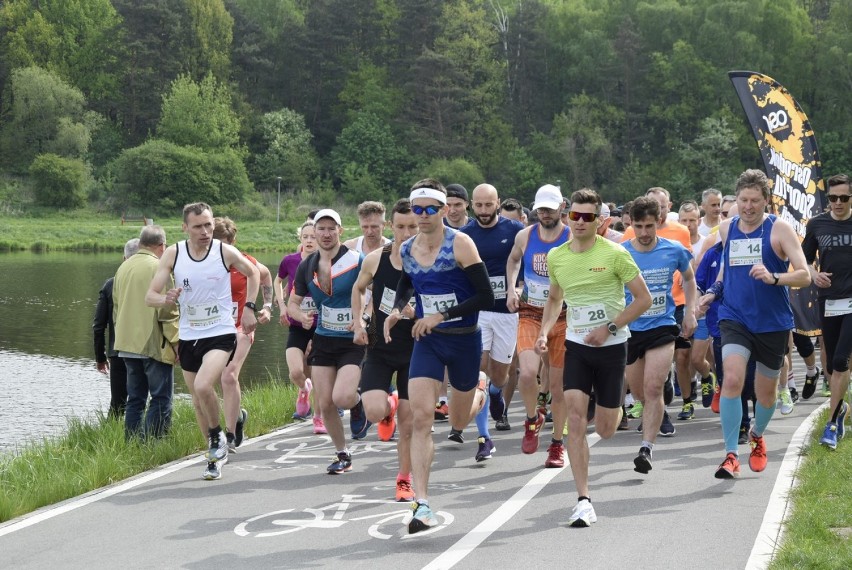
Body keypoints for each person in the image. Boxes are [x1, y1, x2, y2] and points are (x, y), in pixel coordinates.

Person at [384, 179, 495, 534]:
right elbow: (408, 283)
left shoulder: (460, 244)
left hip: (463, 339)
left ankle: (480, 390)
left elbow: (486, 296)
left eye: (432, 208)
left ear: (445, 210)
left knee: (459, 420)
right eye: (419, 209)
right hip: (429, 341)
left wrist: (440, 315)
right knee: (421, 418)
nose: (424, 215)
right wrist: (397, 309)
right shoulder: (406, 249)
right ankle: (423, 503)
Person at [537, 188, 651, 527]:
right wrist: (544, 331)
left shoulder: (616, 254)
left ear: (600, 221)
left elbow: (642, 299)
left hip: (613, 347)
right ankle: (583, 499)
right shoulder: (557, 257)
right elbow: (555, 298)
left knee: (606, 428)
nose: (581, 221)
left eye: (588, 217)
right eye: (575, 215)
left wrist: (609, 328)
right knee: (573, 414)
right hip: (577, 346)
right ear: (567, 216)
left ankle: (611, 408)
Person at [698, 169, 811, 479]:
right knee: (732, 379)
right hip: (734, 317)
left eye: (755, 201)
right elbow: (725, 271)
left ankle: (758, 435)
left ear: (766, 202)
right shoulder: (726, 229)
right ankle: (731, 454)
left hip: (772, 322)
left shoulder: (779, 230)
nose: (748, 207)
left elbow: (804, 274)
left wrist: (775, 277)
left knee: (766, 394)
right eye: (744, 200)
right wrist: (712, 293)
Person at [146, 202, 259, 481]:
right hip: (189, 334)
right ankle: (213, 453)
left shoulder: (224, 251)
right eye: (198, 226)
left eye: (208, 225)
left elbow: (254, 273)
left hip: (220, 332)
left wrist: (250, 308)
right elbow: (150, 296)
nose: (205, 231)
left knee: (203, 384)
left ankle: (217, 437)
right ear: (185, 228)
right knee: (197, 400)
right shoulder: (174, 253)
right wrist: (166, 298)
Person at [351, 198, 419, 500]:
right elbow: (358, 288)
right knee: (375, 412)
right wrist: (358, 323)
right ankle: (388, 405)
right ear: (392, 227)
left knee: (408, 424)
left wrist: (416, 313)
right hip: (380, 346)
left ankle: (404, 478)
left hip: (416, 350)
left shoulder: (429, 260)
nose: (407, 232)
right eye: (401, 227)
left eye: (412, 227)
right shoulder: (376, 259)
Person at [622, 197, 697, 472]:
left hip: (662, 325)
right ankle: (659, 405)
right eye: (638, 226)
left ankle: (646, 449)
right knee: (641, 391)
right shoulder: (620, 252)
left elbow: (689, 279)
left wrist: (690, 311)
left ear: (658, 223)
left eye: (649, 226)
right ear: (630, 223)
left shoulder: (673, 249)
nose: (643, 233)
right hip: (630, 329)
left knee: (653, 387)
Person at [287, 209, 365, 474]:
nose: (326, 233)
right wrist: (302, 318)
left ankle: (358, 404)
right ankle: (342, 454)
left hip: (353, 339)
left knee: (342, 396)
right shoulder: (306, 266)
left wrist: (362, 317)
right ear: (314, 232)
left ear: (340, 231)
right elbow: (292, 304)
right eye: (321, 228)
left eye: (332, 228)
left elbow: (375, 294)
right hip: (323, 338)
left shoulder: (356, 260)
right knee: (326, 402)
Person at [507, 184, 572, 467]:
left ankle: (557, 444)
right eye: (540, 209)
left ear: (561, 208)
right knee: (527, 373)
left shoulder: (572, 237)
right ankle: (532, 419)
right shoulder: (525, 235)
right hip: (531, 312)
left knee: (558, 388)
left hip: (565, 316)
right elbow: (512, 260)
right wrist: (512, 288)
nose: (544, 213)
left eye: (550, 208)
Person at [461, 183, 524, 455]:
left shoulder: (514, 231)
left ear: (498, 203)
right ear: (471, 206)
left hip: (507, 312)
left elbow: (526, 262)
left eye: (489, 205)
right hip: (479, 311)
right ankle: (484, 437)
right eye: (479, 205)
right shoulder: (464, 235)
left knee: (500, 374)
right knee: (480, 369)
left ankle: (498, 393)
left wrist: (519, 288)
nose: (484, 211)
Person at [213, 217, 274, 452]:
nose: (220, 250)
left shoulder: (245, 263)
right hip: (213, 328)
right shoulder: (203, 263)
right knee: (212, 379)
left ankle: (228, 434)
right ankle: (238, 415)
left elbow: (266, 275)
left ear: (233, 242)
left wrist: (267, 306)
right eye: (216, 245)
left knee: (228, 376)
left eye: (225, 244)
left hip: (241, 326)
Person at [113, 226, 179, 440]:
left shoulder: (123, 268)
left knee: (135, 399)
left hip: (126, 345)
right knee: (161, 398)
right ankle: (154, 444)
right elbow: (168, 310)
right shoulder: (159, 268)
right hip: (152, 344)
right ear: (162, 246)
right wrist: (177, 343)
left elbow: (116, 307)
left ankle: (132, 444)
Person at [803, 174, 852, 449]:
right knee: (833, 364)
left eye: (844, 198)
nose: (838, 203)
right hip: (829, 301)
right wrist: (813, 274)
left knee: (842, 360)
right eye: (833, 198)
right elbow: (804, 259)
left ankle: (831, 424)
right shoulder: (817, 224)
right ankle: (841, 409)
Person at [275, 221, 324, 432]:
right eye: (306, 237)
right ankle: (304, 390)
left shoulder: (325, 261)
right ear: (300, 239)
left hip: (321, 324)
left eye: (313, 236)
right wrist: (282, 307)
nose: (310, 240)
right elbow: (277, 281)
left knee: (318, 373)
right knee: (296, 372)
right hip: (296, 324)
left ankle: (319, 417)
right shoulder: (290, 261)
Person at [93, 238, 140, 418]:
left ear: (124, 258)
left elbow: (98, 326)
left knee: (117, 403)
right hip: (145, 351)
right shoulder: (153, 281)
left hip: (117, 352)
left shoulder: (110, 284)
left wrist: (100, 357)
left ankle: (112, 439)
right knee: (142, 399)